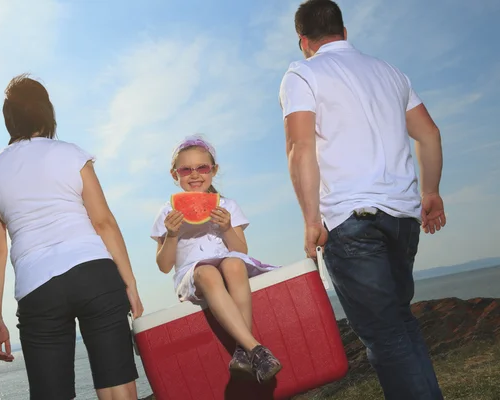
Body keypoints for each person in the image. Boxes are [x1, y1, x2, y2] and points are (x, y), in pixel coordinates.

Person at [279, 1, 446, 399]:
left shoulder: (302, 73)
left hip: (350, 221)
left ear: (303, 41)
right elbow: (430, 135)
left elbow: (300, 149)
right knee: (401, 323)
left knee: (385, 338)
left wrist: (310, 221)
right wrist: (431, 192)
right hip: (403, 218)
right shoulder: (390, 72)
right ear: (345, 31)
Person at [0, 74, 143, 400]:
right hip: (94, 274)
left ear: (8, 118)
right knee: (117, 388)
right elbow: (104, 222)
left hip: (38, 288)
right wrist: (130, 284)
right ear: (46, 112)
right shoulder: (71, 154)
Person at [150, 135, 282, 384]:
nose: (195, 174)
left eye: (202, 167)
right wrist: (172, 234)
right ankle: (256, 349)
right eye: (185, 169)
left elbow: (240, 249)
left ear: (214, 170)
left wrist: (226, 227)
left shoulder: (228, 205)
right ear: (174, 174)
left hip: (228, 264)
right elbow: (164, 265)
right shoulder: (167, 212)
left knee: (233, 263)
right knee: (207, 273)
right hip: (193, 274)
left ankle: (244, 353)